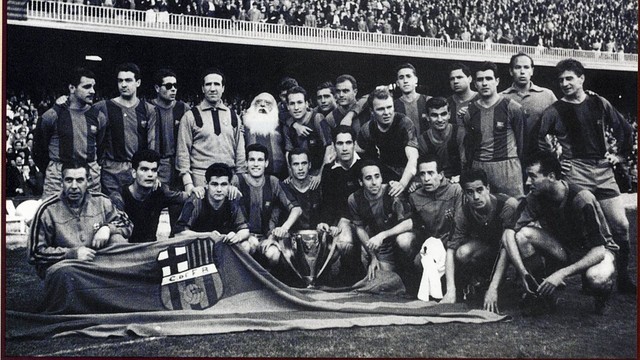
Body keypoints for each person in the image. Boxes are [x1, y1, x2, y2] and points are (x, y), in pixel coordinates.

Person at [538, 58, 635, 293]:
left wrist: (620, 156)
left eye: (569, 78)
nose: (565, 83)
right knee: (583, 228)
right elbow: (538, 140)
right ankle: (587, 276)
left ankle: (622, 277)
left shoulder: (599, 102)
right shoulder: (554, 110)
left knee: (621, 226)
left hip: (603, 170)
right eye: (561, 80)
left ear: (582, 78)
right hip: (576, 172)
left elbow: (625, 129)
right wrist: (556, 161)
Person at [503, 152, 619, 314]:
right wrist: (523, 272)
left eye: (532, 176)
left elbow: (599, 251)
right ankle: (541, 295)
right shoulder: (534, 197)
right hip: (565, 249)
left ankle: (601, 297)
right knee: (522, 235)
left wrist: (561, 274)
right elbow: (508, 232)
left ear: (551, 176)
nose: (528, 182)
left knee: (596, 277)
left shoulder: (581, 198)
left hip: (598, 251)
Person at [27, 160, 133, 279]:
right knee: (68, 271)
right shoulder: (47, 210)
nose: (74, 186)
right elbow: (34, 252)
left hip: (95, 261)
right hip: (64, 266)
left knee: (117, 240)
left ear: (87, 181)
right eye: (69, 180)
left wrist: (108, 228)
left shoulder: (101, 201)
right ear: (61, 182)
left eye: (80, 180)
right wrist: (71, 254)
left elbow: (127, 224)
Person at [440, 167, 518, 314]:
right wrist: (451, 290)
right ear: (464, 194)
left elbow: (507, 247)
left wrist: (493, 289)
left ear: (488, 188)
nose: (475, 197)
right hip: (489, 250)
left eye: (479, 190)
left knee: (516, 241)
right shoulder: (463, 211)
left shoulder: (507, 205)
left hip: (511, 250)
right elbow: (451, 249)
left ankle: (518, 285)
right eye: (470, 192)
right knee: (462, 252)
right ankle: (480, 281)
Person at [90, 63, 157, 206]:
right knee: (114, 213)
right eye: (120, 81)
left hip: (137, 172)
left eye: (128, 80)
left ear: (138, 82)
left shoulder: (148, 109)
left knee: (137, 215)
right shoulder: (103, 107)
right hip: (111, 172)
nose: (123, 85)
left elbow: (151, 145)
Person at [33, 67, 104, 198]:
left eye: (93, 87)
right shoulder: (52, 116)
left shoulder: (98, 116)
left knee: (92, 216)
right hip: (57, 180)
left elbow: (101, 148)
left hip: (90, 179)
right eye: (87, 87)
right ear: (72, 88)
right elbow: (38, 151)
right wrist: (54, 170)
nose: (92, 91)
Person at [176, 67, 247, 196]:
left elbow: (240, 151)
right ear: (203, 88)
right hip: (200, 180)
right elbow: (183, 152)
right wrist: (188, 184)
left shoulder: (232, 115)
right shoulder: (191, 116)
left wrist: (238, 180)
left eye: (217, 84)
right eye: (208, 84)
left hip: (228, 181)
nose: (212, 88)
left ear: (223, 88)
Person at [232, 144, 302, 268]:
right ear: (246, 163)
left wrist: (284, 228)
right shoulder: (237, 181)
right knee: (246, 247)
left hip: (265, 237)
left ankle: (266, 283)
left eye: (260, 160)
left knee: (273, 254)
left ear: (266, 163)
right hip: (242, 237)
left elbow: (297, 209)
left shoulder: (273, 182)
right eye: (252, 160)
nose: (256, 164)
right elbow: (216, 191)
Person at [462, 61, 525, 198]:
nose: (484, 83)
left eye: (488, 78)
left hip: (507, 168)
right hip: (480, 167)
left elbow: (522, 143)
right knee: (483, 210)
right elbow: (469, 146)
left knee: (514, 208)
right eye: (480, 79)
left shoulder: (513, 108)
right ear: (475, 84)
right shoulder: (469, 112)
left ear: (497, 81)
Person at [348, 160, 415, 281]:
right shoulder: (354, 199)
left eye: (377, 177)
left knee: (403, 241)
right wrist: (373, 256)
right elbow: (360, 228)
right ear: (360, 182)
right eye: (368, 178)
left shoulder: (392, 192)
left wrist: (383, 235)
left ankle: (412, 273)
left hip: (400, 238)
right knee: (381, 278)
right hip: (383, 245)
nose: (374, 182)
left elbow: (409, 223)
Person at [407, 154, 463, 296]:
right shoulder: (415, 196)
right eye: (422, 174)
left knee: (462, 254)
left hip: (453, 244)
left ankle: (463, 284)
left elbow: (459, 225)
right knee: (418, 260)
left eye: (431, 173)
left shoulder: (455, 191)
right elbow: (416, 225)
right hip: (432, 244)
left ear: (440, 174)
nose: (426, 179)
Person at [318, 125, 365, 284]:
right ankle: (348, 275)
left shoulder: (366, 163)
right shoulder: (329, 170)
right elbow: (327, 202)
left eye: (348, 143)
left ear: (354, 144)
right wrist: (326, 221)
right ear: (333, 145)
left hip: (367, 220)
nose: (344, 148)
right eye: (340, 143)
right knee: (343, 242)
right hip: (344, 220)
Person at [174, 163, 251, 252]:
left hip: (224, 246)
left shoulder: (233, 198)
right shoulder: (197, 199)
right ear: (206, 184)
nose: (219, 189)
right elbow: (179, 234)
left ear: (230, 185)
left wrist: (237, 236)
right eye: (214, 184)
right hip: (200, 247)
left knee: (246, 245)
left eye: (223, 184)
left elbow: (245, 229)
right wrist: (208, 236)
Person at [501, 52, 557, 173]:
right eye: (518, 67)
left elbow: (561, 126)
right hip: (512, 158)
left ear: (532, 70)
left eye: (526, 67)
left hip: (541, 157)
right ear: (511, 71)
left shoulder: (547, 95)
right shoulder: (502, 98)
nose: (522, 71)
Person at [358, 86, 419, 197]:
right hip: (385, 173)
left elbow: (413, 158)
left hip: (408, 173)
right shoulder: (367, 129)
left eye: (389, 107)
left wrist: (402, 183)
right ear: (372, 111)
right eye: (380, 109)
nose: (387, 112)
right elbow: (356, 151)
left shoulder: (404, 123)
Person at [118, 149, 189, 243]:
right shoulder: (120, 196)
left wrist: (198, 191)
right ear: (134, 173)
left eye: (154, 170)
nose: (150, 174)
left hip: (150, 249)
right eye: (144, 169)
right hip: (126, 250)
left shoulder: (160, 191)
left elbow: (186, 197)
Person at [150, 68, 190, 187]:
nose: (173, 89)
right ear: (157, 88)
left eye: (175, 85)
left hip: (179, 163)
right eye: (168, 86)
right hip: (158, 164)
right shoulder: (148, 108)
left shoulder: (183, 108)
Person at [282, 86, 333, 179]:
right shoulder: (288, 125)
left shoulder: (317, 118)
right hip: (300, 172)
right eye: (292, 104)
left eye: (299, 102)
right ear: (288, 106)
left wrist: (320, 175)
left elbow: (329, 146)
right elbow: (288, 152)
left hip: (320, 170)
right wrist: (291, 174)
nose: (296, 107)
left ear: (306, 104)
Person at [417, 97, 465, 181]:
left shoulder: (460, 133)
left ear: (449, 114)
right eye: (434, 115)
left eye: (443, 114)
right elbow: (423, 169)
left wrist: (461, 177)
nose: (440, 119)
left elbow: (465, 164)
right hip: (435, 182)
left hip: (458, 180)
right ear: (427, 117)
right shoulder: (423, 140)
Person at [243, 92, 288, 180]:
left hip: (277, 172)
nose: (262, 105)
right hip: (251, 172)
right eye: (258, 102)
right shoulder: (244, 124)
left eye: (267, 103)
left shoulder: (281, 124)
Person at [393, 63, 431, 135]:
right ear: (397, 83)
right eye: (401, 77)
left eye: (408, 76)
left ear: (416, 80)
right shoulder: (393, 105)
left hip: (426, 145)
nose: (405, 81)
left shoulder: (428, 101)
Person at [446, 62, 477, 127]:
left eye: (459, 77)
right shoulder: (447, 103)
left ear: (469, 79)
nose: (455, 81)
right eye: (452, 79)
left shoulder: (481, 99)